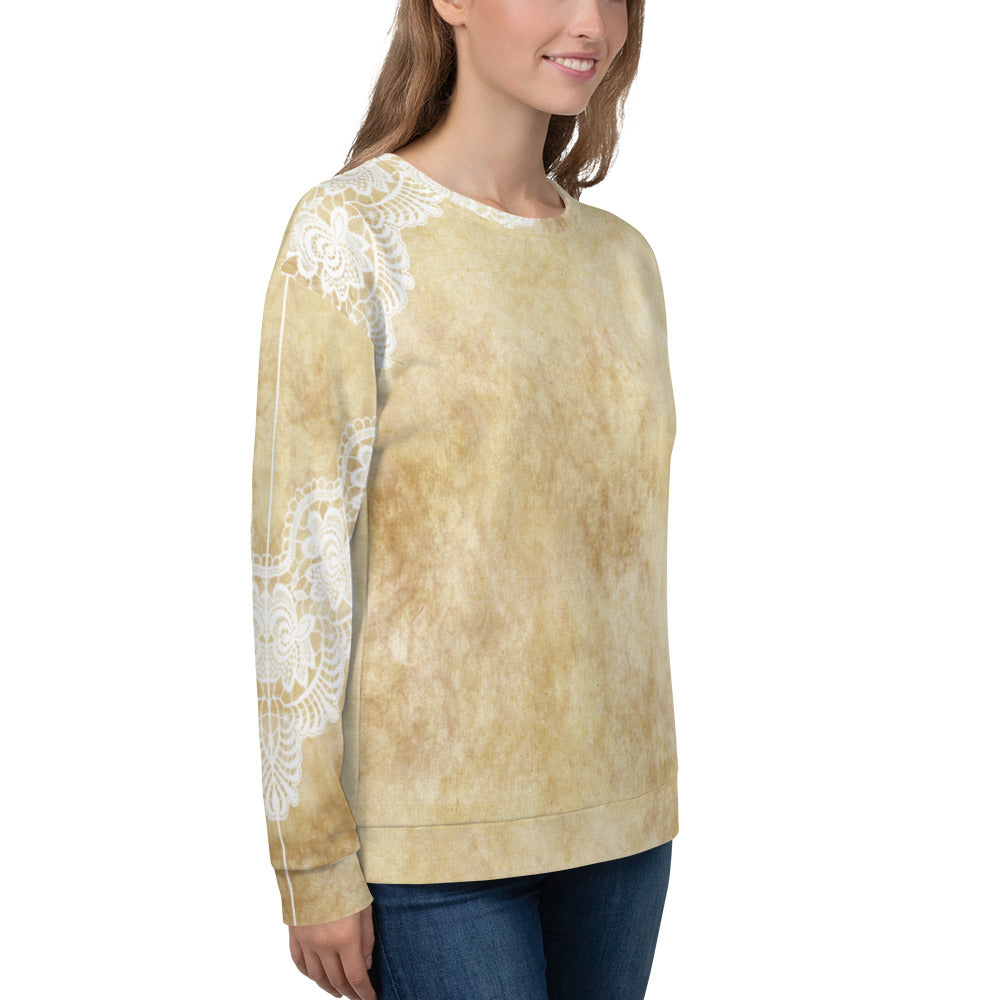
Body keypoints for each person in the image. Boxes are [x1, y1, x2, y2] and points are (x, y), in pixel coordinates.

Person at [250, 2, 679, 998]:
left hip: (623, 820)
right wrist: (310, 855)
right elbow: (295, 561)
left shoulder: (623, 261)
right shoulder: (351, 234)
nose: (592, 22)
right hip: (431, 842)